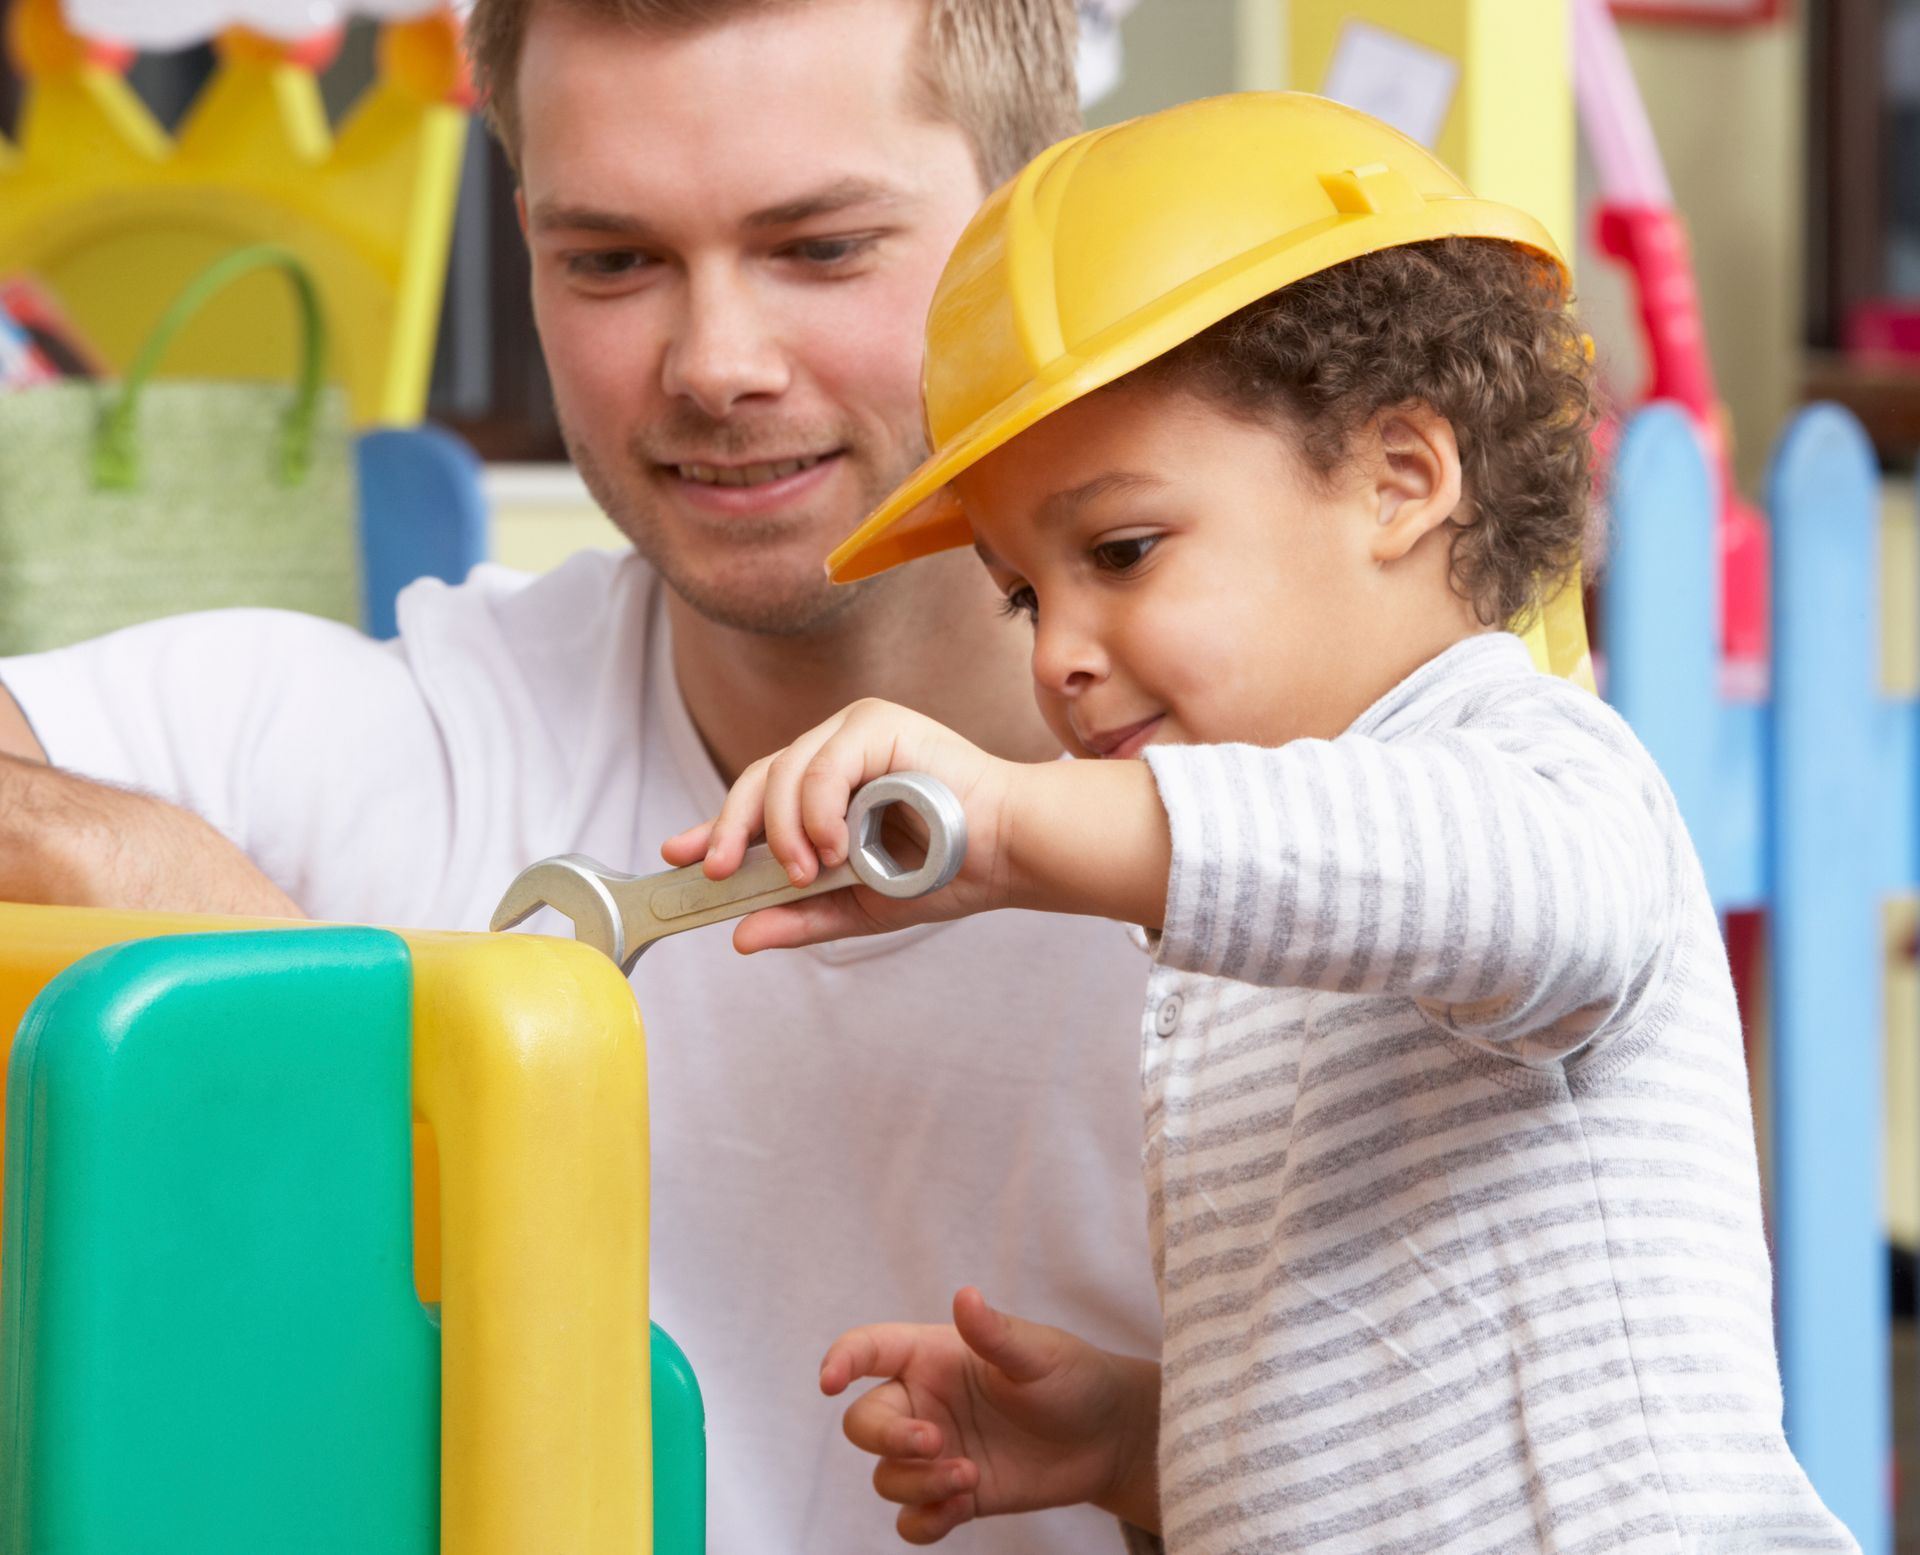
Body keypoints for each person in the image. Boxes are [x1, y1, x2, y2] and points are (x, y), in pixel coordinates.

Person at [0, 1, 1163, 1548]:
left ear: (1034, 239)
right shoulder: (423, 728)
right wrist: (188, 909)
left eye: (820, 248)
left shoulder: (1348, 832)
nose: (715, 364)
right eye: (610, 260)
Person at [678, 94, 1858, 1551]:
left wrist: (1014, 824)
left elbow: (1478, 881)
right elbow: (1381, 1432)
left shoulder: (1542, 773)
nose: (1056, 654)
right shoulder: (1233, 969)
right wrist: (1138, 1441)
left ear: (1400, 481)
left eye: (1123, 550)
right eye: (1027, 591)